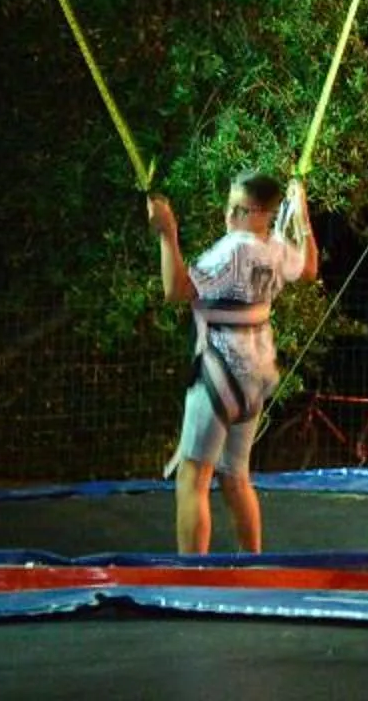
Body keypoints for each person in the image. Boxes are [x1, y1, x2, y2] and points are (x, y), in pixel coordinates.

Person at [148, 170, 316, 554]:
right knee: (234, 477)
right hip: (254, 378)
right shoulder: (274, 247)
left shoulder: (234, 249)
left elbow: (175, 290)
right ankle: (252, 562)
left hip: (220, 374)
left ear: (256, 211)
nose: (229, 216)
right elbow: (308, 269)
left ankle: (192, 579)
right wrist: (301, 214)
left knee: (193, 477)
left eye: (235, 207)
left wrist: (167, 232)